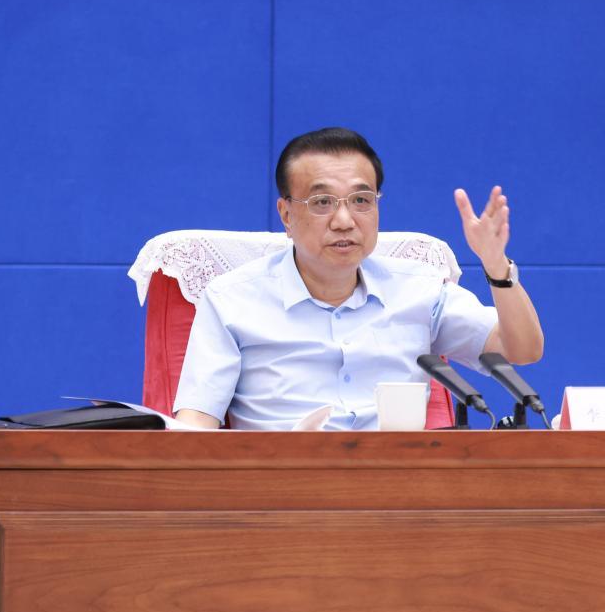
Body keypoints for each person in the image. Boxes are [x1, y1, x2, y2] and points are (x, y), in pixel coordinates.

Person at [174, 127, 543, 430]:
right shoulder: (231, 300)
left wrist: (497, 267)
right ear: (286, 215)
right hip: (280, 484)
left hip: (398, 483)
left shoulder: (420, 288)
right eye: (322, 202)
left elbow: (522, 350)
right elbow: (195, 424)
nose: (344, 221)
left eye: (361, 200)